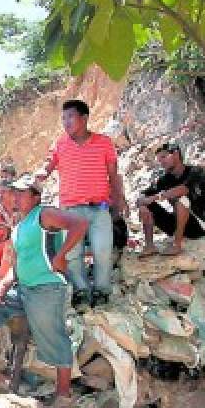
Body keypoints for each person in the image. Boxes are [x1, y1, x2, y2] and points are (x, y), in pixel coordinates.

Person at [0, 176, 87, 408]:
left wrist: (61, 255)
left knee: (54, 337)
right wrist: (4, 283)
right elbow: (19, 262)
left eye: (22, 193)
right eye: (15, 193)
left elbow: (80, 224)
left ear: (35, 196)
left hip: (46, 287)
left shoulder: (43, 214)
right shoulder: (19, 226)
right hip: (24, 288)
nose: (17, 197)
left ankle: (63, 395)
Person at [36, 99, 128, 309]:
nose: (65, 122)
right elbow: (48, 165)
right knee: (73, 254)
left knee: (102, 250)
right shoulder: (61, 144)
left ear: (84, 118)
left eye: (70, 116)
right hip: (70, 211)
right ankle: (81, 290)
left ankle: (102, 290)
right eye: (63, 118)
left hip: (99, 208)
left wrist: (119, 199)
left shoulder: (104, 142)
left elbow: (113, 175)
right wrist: (43, 173)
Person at [136, 142, 205, 256]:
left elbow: (183, 189)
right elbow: (145, 194)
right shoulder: (165, 179)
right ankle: (149, 246)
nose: (161, 162)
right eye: (159, 159)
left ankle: (177, 245)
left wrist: (157, 197)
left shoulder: (196, 171)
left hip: (199, 225)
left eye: (164, 157)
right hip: (177, 224)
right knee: (146, 204)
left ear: (176, 154)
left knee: (181, 200)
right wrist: (142, 204)